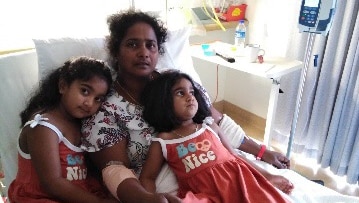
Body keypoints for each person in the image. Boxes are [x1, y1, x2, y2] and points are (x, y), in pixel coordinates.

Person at [80, 9, 290, 202]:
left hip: (218, 171)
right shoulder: (105, 110)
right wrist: (147, 199)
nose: (143, 52)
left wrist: (262, 152)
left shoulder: (177, 84)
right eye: (132, 44)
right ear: (116, 51)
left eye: (150, 45)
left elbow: (215, 121)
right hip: (160, 191)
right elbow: (115, 171)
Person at [139, 70, 293, 202]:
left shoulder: (209, 126)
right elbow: (147, 177)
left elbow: (235, 156)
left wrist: (267, 176)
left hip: (237, 182)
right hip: (204, 194)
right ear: (163, 102)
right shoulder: (164, 141)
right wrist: (151, 198)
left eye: (192, 92)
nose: (190, 97)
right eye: (180, 93)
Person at [8, 56, 117, 203]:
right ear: (63, 86)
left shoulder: (84, 126)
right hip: (41, 198)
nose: (89, 103)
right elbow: (52, 183)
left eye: (98, 99)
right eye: (85, 91)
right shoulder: (44, 126)